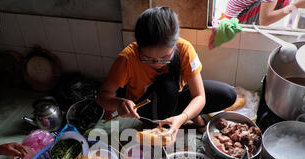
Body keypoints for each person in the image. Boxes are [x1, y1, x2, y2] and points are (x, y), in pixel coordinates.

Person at [97, 6, 237, 140]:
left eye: (165, 58)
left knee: (228, 94)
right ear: (138, 47)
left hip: (175, 93)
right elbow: (102, 97)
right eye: (148, 59)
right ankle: (154, 124)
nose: (157, 63)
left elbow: (199, 96)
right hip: (145, 105)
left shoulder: (184, 49)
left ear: (175, 45)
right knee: (168, 86)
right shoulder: (127, 59)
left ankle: (183, 116)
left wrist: (182, 118)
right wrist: (119, 103)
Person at [224, 0, 305, 26]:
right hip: (237, 21)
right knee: (285, 3)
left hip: (238, 12)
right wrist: (295, 6)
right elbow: (264, 21)